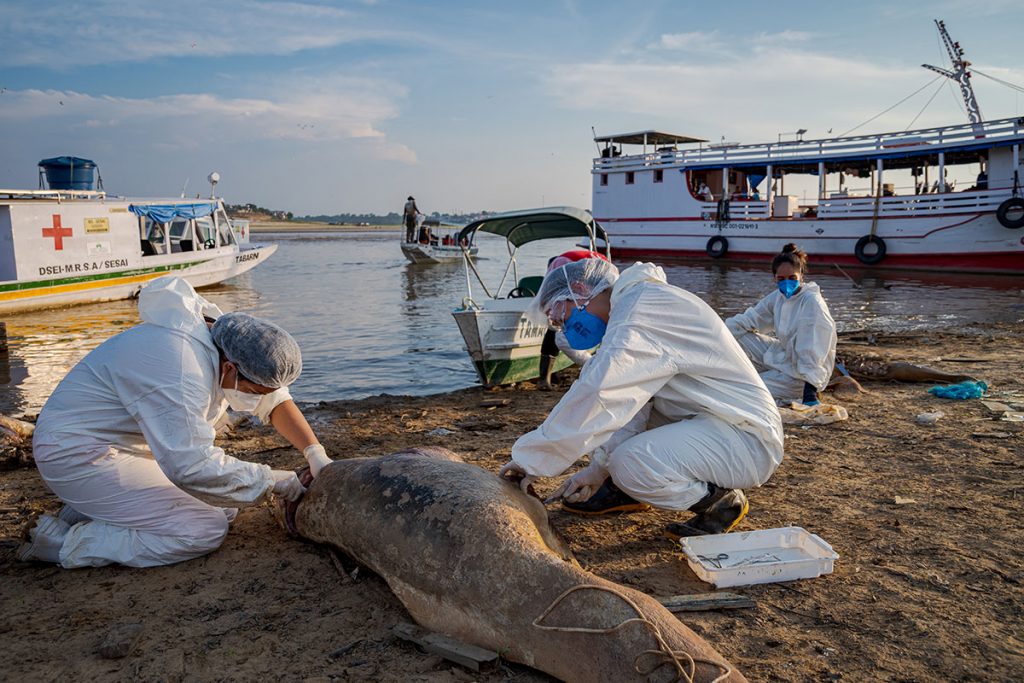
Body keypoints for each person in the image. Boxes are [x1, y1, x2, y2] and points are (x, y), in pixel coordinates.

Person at [19, 276, 332, 568]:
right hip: (75, 453)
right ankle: (63, 544)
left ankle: (90, 509)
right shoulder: (182, 369)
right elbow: (190, 465)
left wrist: (314, 452)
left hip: (123, 445)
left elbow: (274, 400)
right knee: (204, 529)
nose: (255, 397)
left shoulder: (222, 339)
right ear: (232, 369)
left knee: (225, 505)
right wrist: (273, 481)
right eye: (253, 390)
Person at [500, 259, 784, 539]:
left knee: (630, 464)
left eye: (561, 314)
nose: (564, 327)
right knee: (613, 442)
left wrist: (531, 459)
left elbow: (600, 392)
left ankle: (720, 502)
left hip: (747, 436)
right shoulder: (633, 307)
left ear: (579, 288)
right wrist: (598, 471)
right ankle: (624, 488)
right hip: (714, 420)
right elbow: (632, 405)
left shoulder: (641, 310)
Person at [724, 244, 837, 406]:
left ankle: (779, 386)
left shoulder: (811, 302)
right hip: (785, 356)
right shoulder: (778, 297)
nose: (787, 283)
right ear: (774, 278)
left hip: (801, 376)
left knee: (747, 389)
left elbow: (812, 351)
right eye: (781, 279)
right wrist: (715, 331)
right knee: (738, 337)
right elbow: (750, 319)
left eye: (792, 278)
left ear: (801, 277)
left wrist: (810, 392)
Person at [537, 250, 609, 391]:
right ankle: (548, 376)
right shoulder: (601, 268)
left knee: (557, 329)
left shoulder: (566, 265)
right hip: (579, 286)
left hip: (578, 286)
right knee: (558, 329)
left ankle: (546, 377)